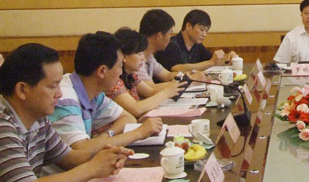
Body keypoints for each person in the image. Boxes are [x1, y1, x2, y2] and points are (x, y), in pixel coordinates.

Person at [0, 43, 132, 181]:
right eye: (52, 86)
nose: (59, 93)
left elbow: (69, 158)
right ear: (22, 90)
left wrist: (105, 156)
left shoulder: (38, 118)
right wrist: (93, 168)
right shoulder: (3, 125)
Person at [48, 32, 163, 153]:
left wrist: (106, 136)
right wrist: (139, 133)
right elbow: (81, 150)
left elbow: (128, 118)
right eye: (120, 66)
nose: (120, 73)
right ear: (102, 71)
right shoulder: (65, 99)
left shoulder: (93, 92)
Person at [107, 28, 185, 118]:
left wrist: (178, 84)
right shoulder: (114, 81)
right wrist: (166, 93)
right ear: (123, 56)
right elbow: (136, 109)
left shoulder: (131, 76)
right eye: (139, 54)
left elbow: (150, 92)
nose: (143, 59)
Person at [137, 9, 198, 97]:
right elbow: (149, 88)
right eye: (170, 33)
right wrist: (187, 81)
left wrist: (188, 75)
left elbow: (167, 75)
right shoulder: (136, 57)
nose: (170, 38)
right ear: (159, 35)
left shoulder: (149, 56)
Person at [155, 9, 236, 72]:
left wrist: (229, 56)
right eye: (202, 30)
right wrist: (211, 62)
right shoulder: (171, 45)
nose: (204, 34)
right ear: (188, 26)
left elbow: (214, 61)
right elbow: (177, 69)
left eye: (206, 31)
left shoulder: (197, 45)